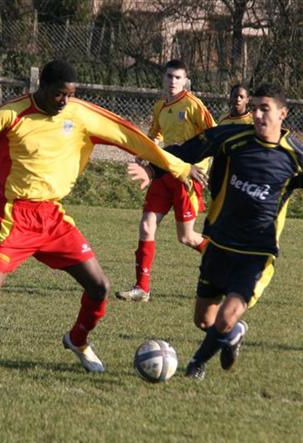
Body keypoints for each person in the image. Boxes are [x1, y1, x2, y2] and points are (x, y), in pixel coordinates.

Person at [0, 60, 203, 374]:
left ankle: (78, 339)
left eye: (71, 95)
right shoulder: (13, 112)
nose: (66, 101)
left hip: (54, 218)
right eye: (60, 94)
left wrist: (179, 167)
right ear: (42, 88)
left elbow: (131, 137)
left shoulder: (79, 113)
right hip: (15, 217)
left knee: (99, 287)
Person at [127, 83, 303, 380]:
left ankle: (196, 364)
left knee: (226, 315)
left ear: (283, 114)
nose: (258, 115)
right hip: (219, 244)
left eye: (265, 109)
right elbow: (186, 151)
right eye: (256, 108)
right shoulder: (231, 137)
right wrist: (153, 170)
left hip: (257, 253)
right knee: (204, 320)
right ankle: (232, 334)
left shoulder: (295, 157)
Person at [116, 59, 216, 303]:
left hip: (186, 178)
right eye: (169, 76)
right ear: (164, 78)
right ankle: (142, 288)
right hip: (163, 175)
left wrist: (197, 167)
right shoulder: (160, 106)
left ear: (185, 81)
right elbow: (155, 136)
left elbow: (213, 135)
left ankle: (225, 259)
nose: (173, 81)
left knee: (186, 237)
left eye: (178, 77)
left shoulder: (193, 105)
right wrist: (145, 153)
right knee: (147, 226)